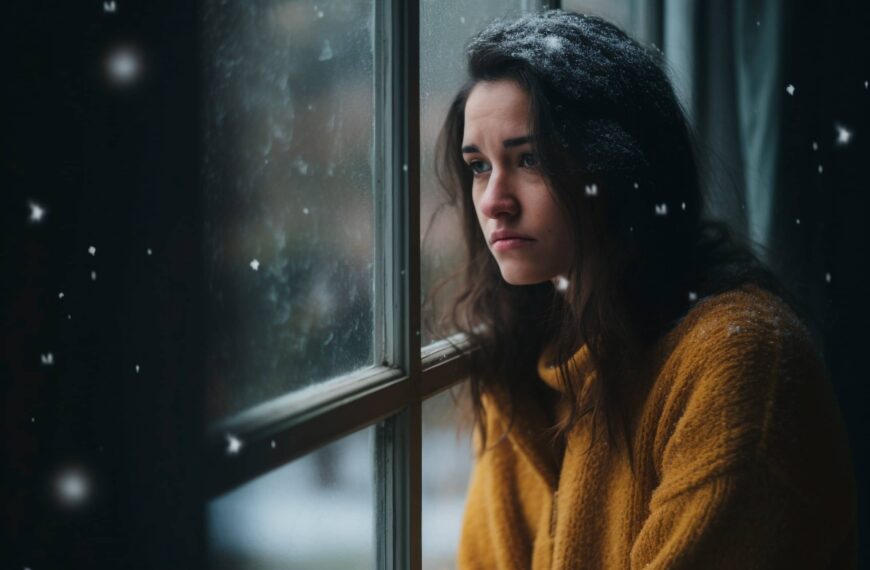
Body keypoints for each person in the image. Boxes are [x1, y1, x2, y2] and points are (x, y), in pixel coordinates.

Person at [433, 10, 857, 569]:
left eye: (529, 159)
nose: (492, 201)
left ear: (617, 167)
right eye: (479, 166)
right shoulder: (523, 364)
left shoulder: (741, 359)